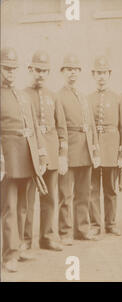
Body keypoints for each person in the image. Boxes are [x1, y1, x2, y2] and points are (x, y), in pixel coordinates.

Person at [1, 47, 49, 272]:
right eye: (5, 68)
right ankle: (9, 255)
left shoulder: (22, 95)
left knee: (23, 207)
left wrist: (41, 153)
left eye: (13, 69)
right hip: (7, 159)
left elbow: (34, 126)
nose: (10, 73)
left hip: (26, 156)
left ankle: (19, 248)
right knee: (10, 207)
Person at [23, 50, 67, 252]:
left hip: (51, 153)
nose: (41, 74)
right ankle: (25, 239)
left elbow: (61, 128)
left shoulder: (53, 96)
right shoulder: (23, 95)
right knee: (28, 199)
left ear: (49, 73)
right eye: (37, 70)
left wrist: (62, 154)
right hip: (30, 154)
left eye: (45, 71)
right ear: (30, 70)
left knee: (50, 197)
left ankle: (47, 237)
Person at [58, 54, 101, 245]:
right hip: (70, 151)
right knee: (65, 195)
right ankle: (65, 232)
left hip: (86, 151)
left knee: (84, 193)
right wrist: (62, 155)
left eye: (75, 70)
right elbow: (60, 127)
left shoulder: (83, 96)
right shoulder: (59, 96)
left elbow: (90, 125)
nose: (72, 73)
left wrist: (95, 150)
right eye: (69, 70)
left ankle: (82, 229)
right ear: (62, 72)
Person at [88, 55, 122, 236]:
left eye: (104, 73)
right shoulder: (87, 98)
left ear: (109, 74)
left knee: (111, 189)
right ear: (93, 75)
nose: (101, 77)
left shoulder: (118, 98)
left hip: (112, 148)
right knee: (92, 189)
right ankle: (96, 225)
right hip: (94, 149)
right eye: (98, 73)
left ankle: (111, 224)